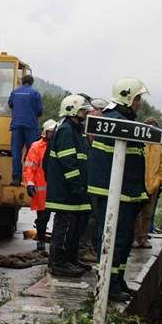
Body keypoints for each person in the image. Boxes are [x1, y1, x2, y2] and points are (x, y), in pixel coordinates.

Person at [89, 77, 149, 302]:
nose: (139, 104)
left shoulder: (122, 121)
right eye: (138, 99)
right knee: (114, 238)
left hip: (127, 193)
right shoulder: (116, 122)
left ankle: (117, 280)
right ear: (128, 97)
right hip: (115, 194)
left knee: (123, 240)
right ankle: (109, 284)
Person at [46, 95, 93, 277]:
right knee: (64, 227)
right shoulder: (66, 130)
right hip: (66, 192)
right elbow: (69, 163)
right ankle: (59, 262)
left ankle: (71, 259)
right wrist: (77, 187)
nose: (85, 113)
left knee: (75, 227)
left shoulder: (75, 129)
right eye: (83, 110)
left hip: (73, 190)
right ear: (72, 109)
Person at [78, 97, 108, 263]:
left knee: (94, 217)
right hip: (87, 182)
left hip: (94, 181)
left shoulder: (94, 132)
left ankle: (89, 247)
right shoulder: (81, 133)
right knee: (89, 217)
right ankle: (83, 249)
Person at [24, 118, 57, 252]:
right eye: (51, 132)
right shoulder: (36, 147)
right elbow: (29, 167)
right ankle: (41, 240)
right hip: (42, 189)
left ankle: (56, 242)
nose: (53, 134)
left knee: (60, 217)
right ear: (45, 132)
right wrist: (30, 184)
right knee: (42, 218)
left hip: (56, 188)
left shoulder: (59, 145)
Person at [133, 117, 162, 248]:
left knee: (148, 214)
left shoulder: (158, 147)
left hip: (154, 185)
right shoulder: (140, 144)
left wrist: (161, 181)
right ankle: (135, 238)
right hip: (140, 183)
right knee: (137, 214)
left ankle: (144, 238)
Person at [8, 75, 43, 185]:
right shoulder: (35, 93)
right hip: (31, 126)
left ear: (22, 82)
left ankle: (16, 179)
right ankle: (30, 179)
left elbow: (10, 104)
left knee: (16, 153)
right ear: (31, 83)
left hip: (17, 126)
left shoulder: (14, 92)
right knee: (32, 153)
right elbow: (40, 111)